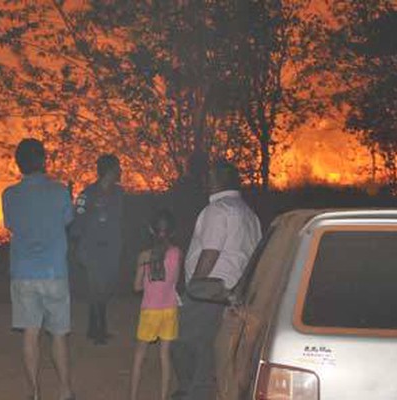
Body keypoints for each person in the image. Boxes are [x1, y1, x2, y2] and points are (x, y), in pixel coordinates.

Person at [171, 160, 262, 400]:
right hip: (235, 291)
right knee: (211, 346)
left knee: (184, 341)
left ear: (219, 180)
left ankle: (191, 392)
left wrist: (195, 286)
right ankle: (198, 391)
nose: (205, 181)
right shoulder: (249, 214)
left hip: (209, 290)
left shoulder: (218, 210)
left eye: (209, 177)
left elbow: (210, 252)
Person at [2, 139, 75, 400]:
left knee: (30, 334)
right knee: (58, 334)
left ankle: (34, 393)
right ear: (43, 160)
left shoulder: (9, 194)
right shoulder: (59, 192)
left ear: (18, 164)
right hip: (54, 271)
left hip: (23, 272)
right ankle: (65, 391)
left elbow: (10, 224)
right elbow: (68, 220)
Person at [70, 154, 124, 345]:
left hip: (111, 249)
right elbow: (77, 223)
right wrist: (79, 250)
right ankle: (99, 330)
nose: (121, 172)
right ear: (109, 171)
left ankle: (94, 328)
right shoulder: (87, 195)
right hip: (93, 250)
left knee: (104, 289)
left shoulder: (119, 193)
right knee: (97, 289)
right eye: (118, 168)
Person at [130, 210, 182, 400]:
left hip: (150, 310)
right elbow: (175, 280)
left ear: (151, 230)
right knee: (164, 355)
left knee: (139, 356)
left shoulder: (144, 256)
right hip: (169, 309)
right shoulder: (177, 253)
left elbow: (136, 287)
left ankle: (133, 396)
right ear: (172, 231)